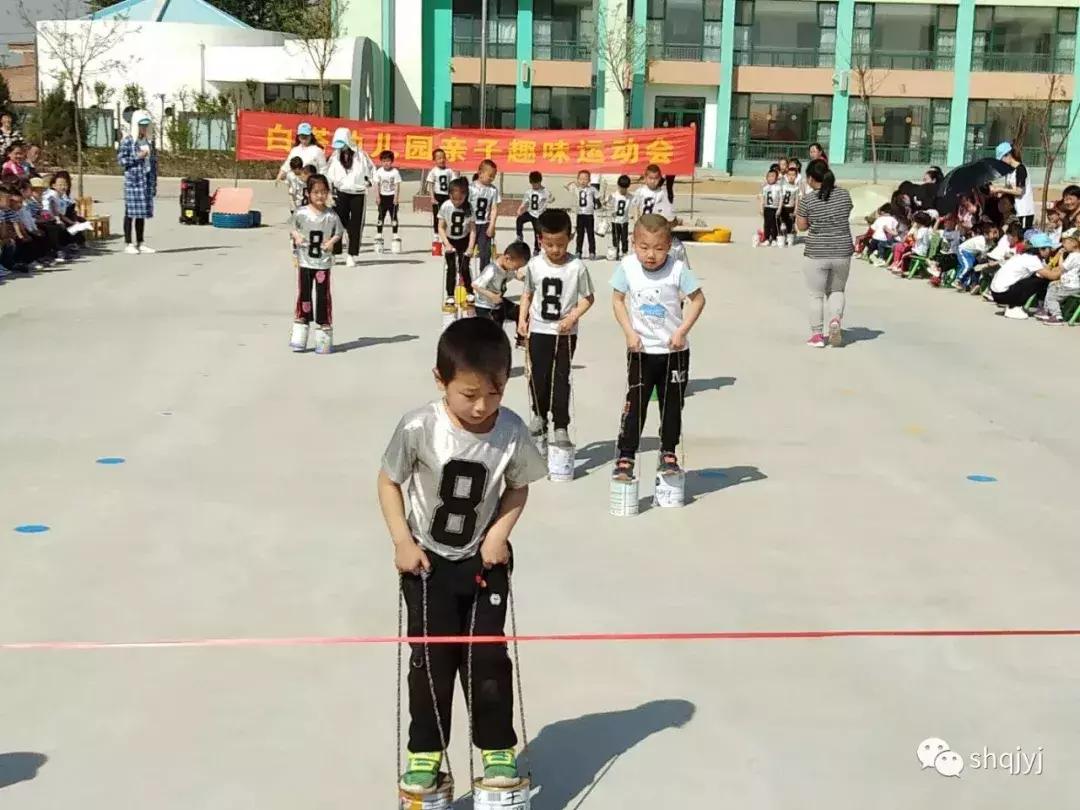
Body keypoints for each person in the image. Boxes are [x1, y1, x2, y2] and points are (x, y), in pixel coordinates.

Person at [378, 316, 547, 796]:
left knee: (488, 659)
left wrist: (499, 534)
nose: (481, 406)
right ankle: (425, 753)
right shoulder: (418, 426)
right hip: (427, 564)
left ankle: (497, 748)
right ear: (441, 380)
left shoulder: (511, 430)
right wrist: (402, 541)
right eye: (469, 394)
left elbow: (518, 487)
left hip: (484, 563)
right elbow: (388, 481)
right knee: (431, 662)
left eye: (494, 393)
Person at [610, 214, 705, 482]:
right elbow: (617, 300)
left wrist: (681, 331)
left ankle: (668, 452)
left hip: (674, 352)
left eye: (659, 248)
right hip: (641, 351)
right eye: (644, 247)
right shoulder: (628, 266)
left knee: (672, 405)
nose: (651, 255)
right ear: (634, 243)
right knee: (635, 403)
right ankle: (626, 455)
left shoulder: (677, 269)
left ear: (669, 246)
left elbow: (698, 300)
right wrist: (629, 332)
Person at [517, 209, 595, 449]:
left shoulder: (577, 267)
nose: (555, 250)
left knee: (561, 378)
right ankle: (539, 415)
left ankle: (561, 424)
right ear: (540, 239)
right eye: (549, 244)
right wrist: (522, 320)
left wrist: (572, 317)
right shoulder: (535, 265)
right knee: (538, 376)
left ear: (570, 238)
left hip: (564, 333)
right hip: (539, 329)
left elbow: (588, 298)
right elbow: (527, 294)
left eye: (560, 244)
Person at [795, 158, 854, 348]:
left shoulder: (808, 200)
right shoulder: (844, 195)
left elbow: (801, 226)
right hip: (842, 250)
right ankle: (835, 320)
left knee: (816, 295)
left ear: (811, 179)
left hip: (816, 252)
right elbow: (846, 213)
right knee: (837, 290)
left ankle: (817, 335)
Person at [289, 173, 343, 354]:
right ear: (308, 193)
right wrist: (296, 236)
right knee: (304, 294)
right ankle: (301, 323)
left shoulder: (331, 215)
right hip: (305, 261)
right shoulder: (301, 213)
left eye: (324, 192)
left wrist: (331, 242)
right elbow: (292, 226)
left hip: (322, 263)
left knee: (323, 295)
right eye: (316, 192)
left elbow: (339, 232)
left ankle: (324, 327)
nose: (320, 196)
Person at [326, 127, 374, 267]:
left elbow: (371, 170)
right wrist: (329, 191)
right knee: (337, 223)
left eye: (342, 144)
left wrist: (369, 181)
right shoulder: (335, 156)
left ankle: (351, 254)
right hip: (340, 192)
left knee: (356, 225)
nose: (341, 148)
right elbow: (328, 174)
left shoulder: (361, 155)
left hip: (358, 193)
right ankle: (335, 252)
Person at [117, 109, 158, 255]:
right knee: (130, 212)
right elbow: (121, 161)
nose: (144, 128)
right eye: (141, 125)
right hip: (133, 182)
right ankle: (128, 242)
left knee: (141, 213)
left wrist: (154, 183)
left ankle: (140, 242)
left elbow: (154, 163)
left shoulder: (149, 142)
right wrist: (137, 156)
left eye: (146, 125)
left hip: (145, 181)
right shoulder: (128, 141)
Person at [989, 232, 1056, 319]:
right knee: (1042, 280)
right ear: (1041, 249)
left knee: (1036, 278)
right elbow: (1051, 276)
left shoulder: (1024, 256)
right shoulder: (1032, 259)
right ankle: (1014, 307)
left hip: (996, 292)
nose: (1050, 251)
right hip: (1002, 294)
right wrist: (1064, 268)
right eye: (1049, 248)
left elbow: (1046, 269)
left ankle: (1012, 306)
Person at [472, 240, 531, 328]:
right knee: (495, 330)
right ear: (507, 259)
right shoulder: (492, 270)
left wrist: (529, 280)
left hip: (498, 303)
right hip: (485, 307)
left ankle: (521, 334)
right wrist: (492, 296)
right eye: (516, 267)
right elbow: (475, 285)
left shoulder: (508, 267)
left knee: (522, 313)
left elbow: (517, 275)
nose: (516, 269)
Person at [438, 177, 476, 310]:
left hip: (464, 240)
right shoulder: (446, 206)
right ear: (449, 195)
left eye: (460, 199)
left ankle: (470, 292)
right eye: (454, 199)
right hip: (450, 240)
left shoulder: (469, 208)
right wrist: (446, 244)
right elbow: (440, 227)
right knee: (451, 268)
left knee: (464, 268)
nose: (457, 202)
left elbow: (473, 230)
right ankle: (450, 295)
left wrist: (470, 247)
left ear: (465, 196)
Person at [1037, 229, 1080, 325]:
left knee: (1052, 297)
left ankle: (1057, 316)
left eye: (1065, 242)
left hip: (1070, 286)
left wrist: (1060, 255)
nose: (1063, 244)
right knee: (1052, 286)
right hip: (1070, 285)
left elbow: (1061, 268)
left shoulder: (1074, 256)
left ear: (1074, 243)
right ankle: (1047, 311)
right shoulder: (1075, 255)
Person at [993, 142, 1036, 231]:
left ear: (1008, 155)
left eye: (1002, 159)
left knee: (1023, 235)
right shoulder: (1010, 172)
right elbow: (1009, 188)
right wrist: (1000, 192)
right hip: (1015, 211)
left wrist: (1000, 189)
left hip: (1024, 211)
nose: (1002, 162)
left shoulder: (1021, 169)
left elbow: (1019, 191)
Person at [470, 159, 501, 269]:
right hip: (471, 225)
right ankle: (463, 275)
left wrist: (492, 225)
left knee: (485, 254)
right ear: (480, 173)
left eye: (494, 176)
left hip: (484, 225)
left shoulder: (493, 190)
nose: (492, 178)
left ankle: (484, 275)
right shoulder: (470, 188)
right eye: (490, 176)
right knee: (467, 251)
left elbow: (494, 208)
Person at [955, 222, 1000, 292]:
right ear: (986, 234)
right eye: (994, 233)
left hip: (974, 254)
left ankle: (973, 285)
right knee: (968, 266)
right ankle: (958, 280)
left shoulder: (991, 242)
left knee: (976, 268)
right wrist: (989, 262)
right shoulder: (981, 241)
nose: (996, 235)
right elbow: (984, 256)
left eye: (996, 232)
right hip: (964, 251)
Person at [567, 169, 601, 260]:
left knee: (590, 234)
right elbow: (567, 186)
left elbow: (598, 197)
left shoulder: (592, 189)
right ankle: (578, 251)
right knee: (580, 234)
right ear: (578, 179)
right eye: (581, 179)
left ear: (589, 180)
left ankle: (592, 252)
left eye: (585, 179)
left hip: (589, 214)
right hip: (580, 214)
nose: (583, 181)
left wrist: (599, 205)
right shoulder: (576, 189)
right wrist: (575, 182)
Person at [424, 148, 457, 240]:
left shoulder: (449, 171)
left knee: (448, 215)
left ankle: (447, 233)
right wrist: (432, 197)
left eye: (443, 158)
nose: (442, 160)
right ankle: (436, 234)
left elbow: (454, 183)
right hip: (437, 196)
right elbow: (431, 185)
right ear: (434, 160)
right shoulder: (433, 171)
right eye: (439, 158)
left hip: (447, 196)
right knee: (437, 216)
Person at [515, 170, 550, 255]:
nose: (534, 186)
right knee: (519, 219)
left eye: (536, 183)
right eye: (533, 184)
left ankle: (536, 249)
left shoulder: (545, 192)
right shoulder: (529, 192)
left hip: (538, 216)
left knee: (537, 233)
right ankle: (519, 236)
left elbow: (552, 199)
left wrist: (546, 203)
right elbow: (525, 203)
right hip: (530, 213)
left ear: (540, 182)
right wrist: (520, 209)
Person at [373, 149, 402, 248]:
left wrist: (396, 197)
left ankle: (395, 233)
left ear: (392, 161)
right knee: (381, 216)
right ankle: (379, 233)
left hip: (392, 197)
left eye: (388, 161)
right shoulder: (379, 172)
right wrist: (377, 196)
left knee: (394, 216)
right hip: (382, 197)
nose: (386, 163)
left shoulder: (395, 172)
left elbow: (397, 185)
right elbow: (376, 185)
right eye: (384, 161)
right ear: (381, 162)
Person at [608, 174, 632, 260]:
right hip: (615, 221)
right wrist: (608, 204)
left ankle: (624, 252)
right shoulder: (614, 195)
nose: (623, 190)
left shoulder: (630, 196)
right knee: (615, 238)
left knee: (624, 238)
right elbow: (608, 205)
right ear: (618, 186)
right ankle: (616, 252)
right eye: (621, 187)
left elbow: (635, 204)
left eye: (625, 188)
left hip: (624, 221)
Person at [758, 166, 781, 247]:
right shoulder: (765, 187)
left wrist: (779, 208)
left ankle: (774, 239)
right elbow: (762, 198)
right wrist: (761, 208)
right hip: (767, 208)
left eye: (773, 176)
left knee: (775, 224)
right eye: (769, 176)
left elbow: (781, 198)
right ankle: (767, 239)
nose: (771, 178)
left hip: (775, 208)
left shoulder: (778, 187)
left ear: (776, 178)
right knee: (767, 224)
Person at [778, 165, 800, 247]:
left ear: (796, 176)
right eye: (789, 175)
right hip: (784, 208)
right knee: (782, 223)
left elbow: (797, 199)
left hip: (791, 208)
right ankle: (782, 237)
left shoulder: (796, 188)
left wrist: (796, 209)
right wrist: (779, 208)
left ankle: (789, 237)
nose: (791, 177)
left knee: (790, 224)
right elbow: (781, 197)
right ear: (787, 176)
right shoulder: (784, 186)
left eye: (793, 175)